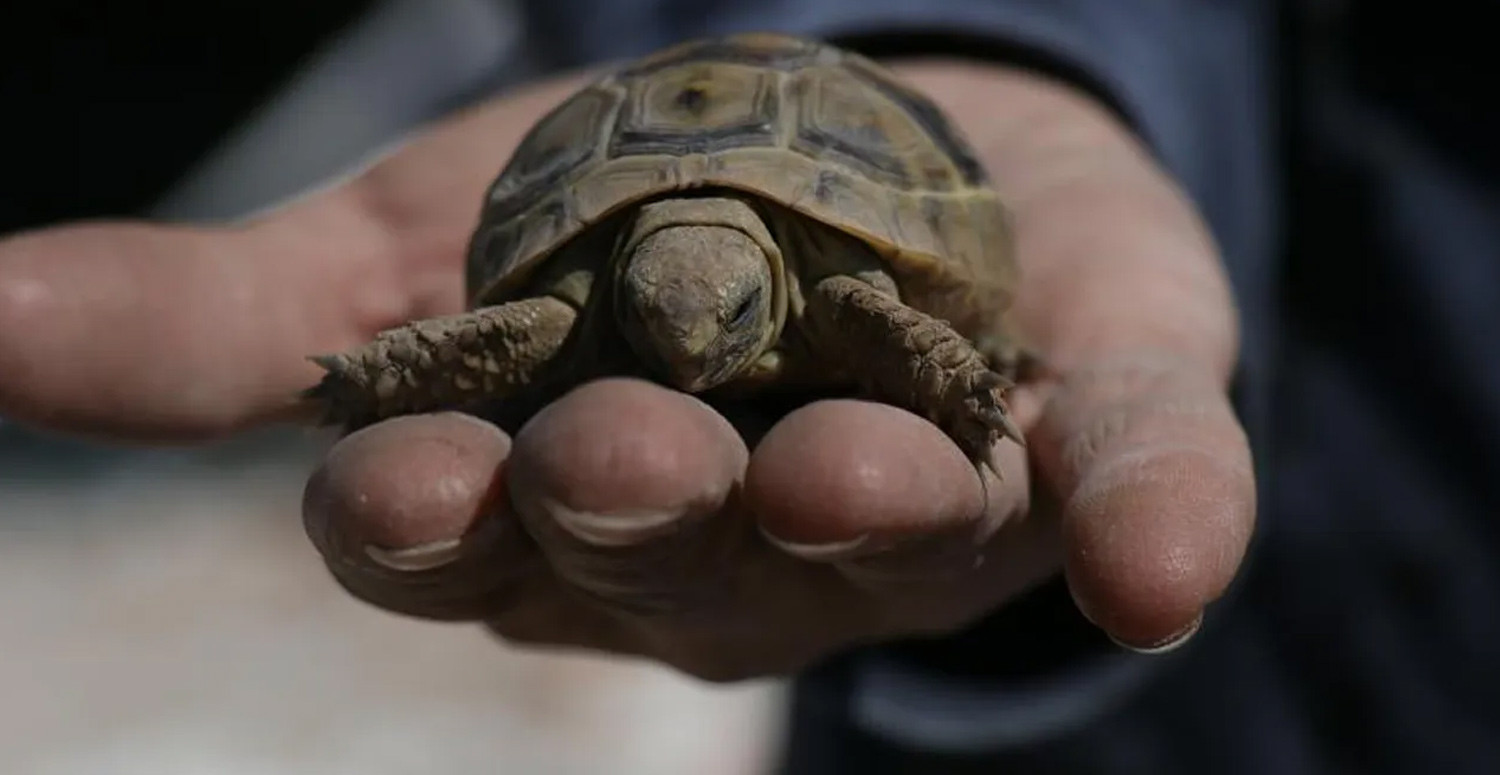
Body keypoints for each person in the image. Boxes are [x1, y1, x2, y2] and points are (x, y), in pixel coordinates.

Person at [1, 1, 1494, 772]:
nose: (695, 349)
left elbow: (893, 318)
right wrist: (389, 374)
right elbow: (509, 334)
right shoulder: (592, 298)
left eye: (717, 317)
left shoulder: (844, 289)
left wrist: (963, 379)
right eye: (666, 316)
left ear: (763, 284)